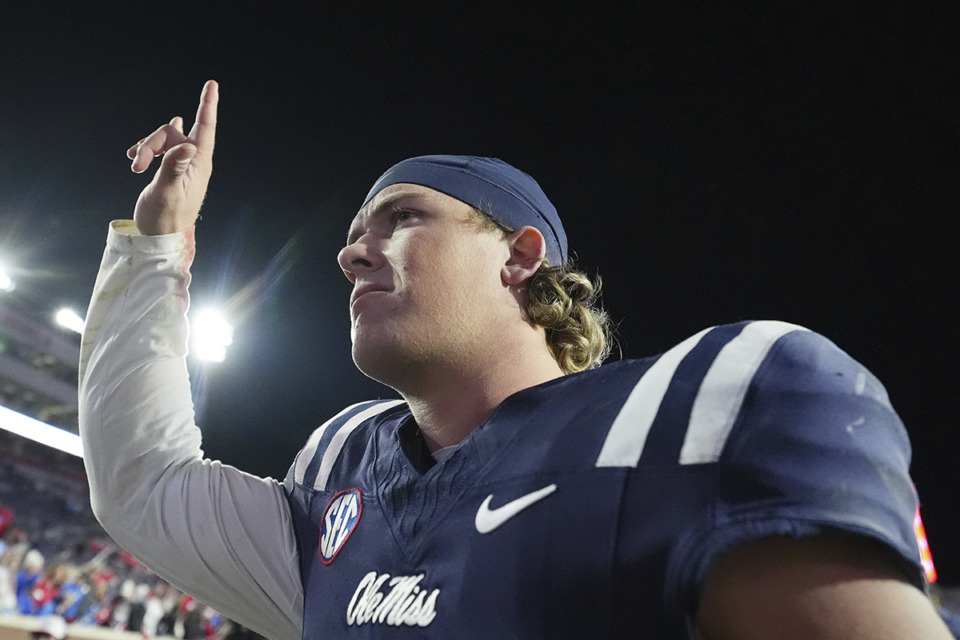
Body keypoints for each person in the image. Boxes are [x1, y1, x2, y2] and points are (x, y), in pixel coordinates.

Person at [78, 80, 952, 639]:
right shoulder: (342, 470)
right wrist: (156, 246)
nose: (352, 253)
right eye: (350, 236)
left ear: (521, 256)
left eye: (403, 218)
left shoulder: (698, 417)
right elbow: (141, 483)